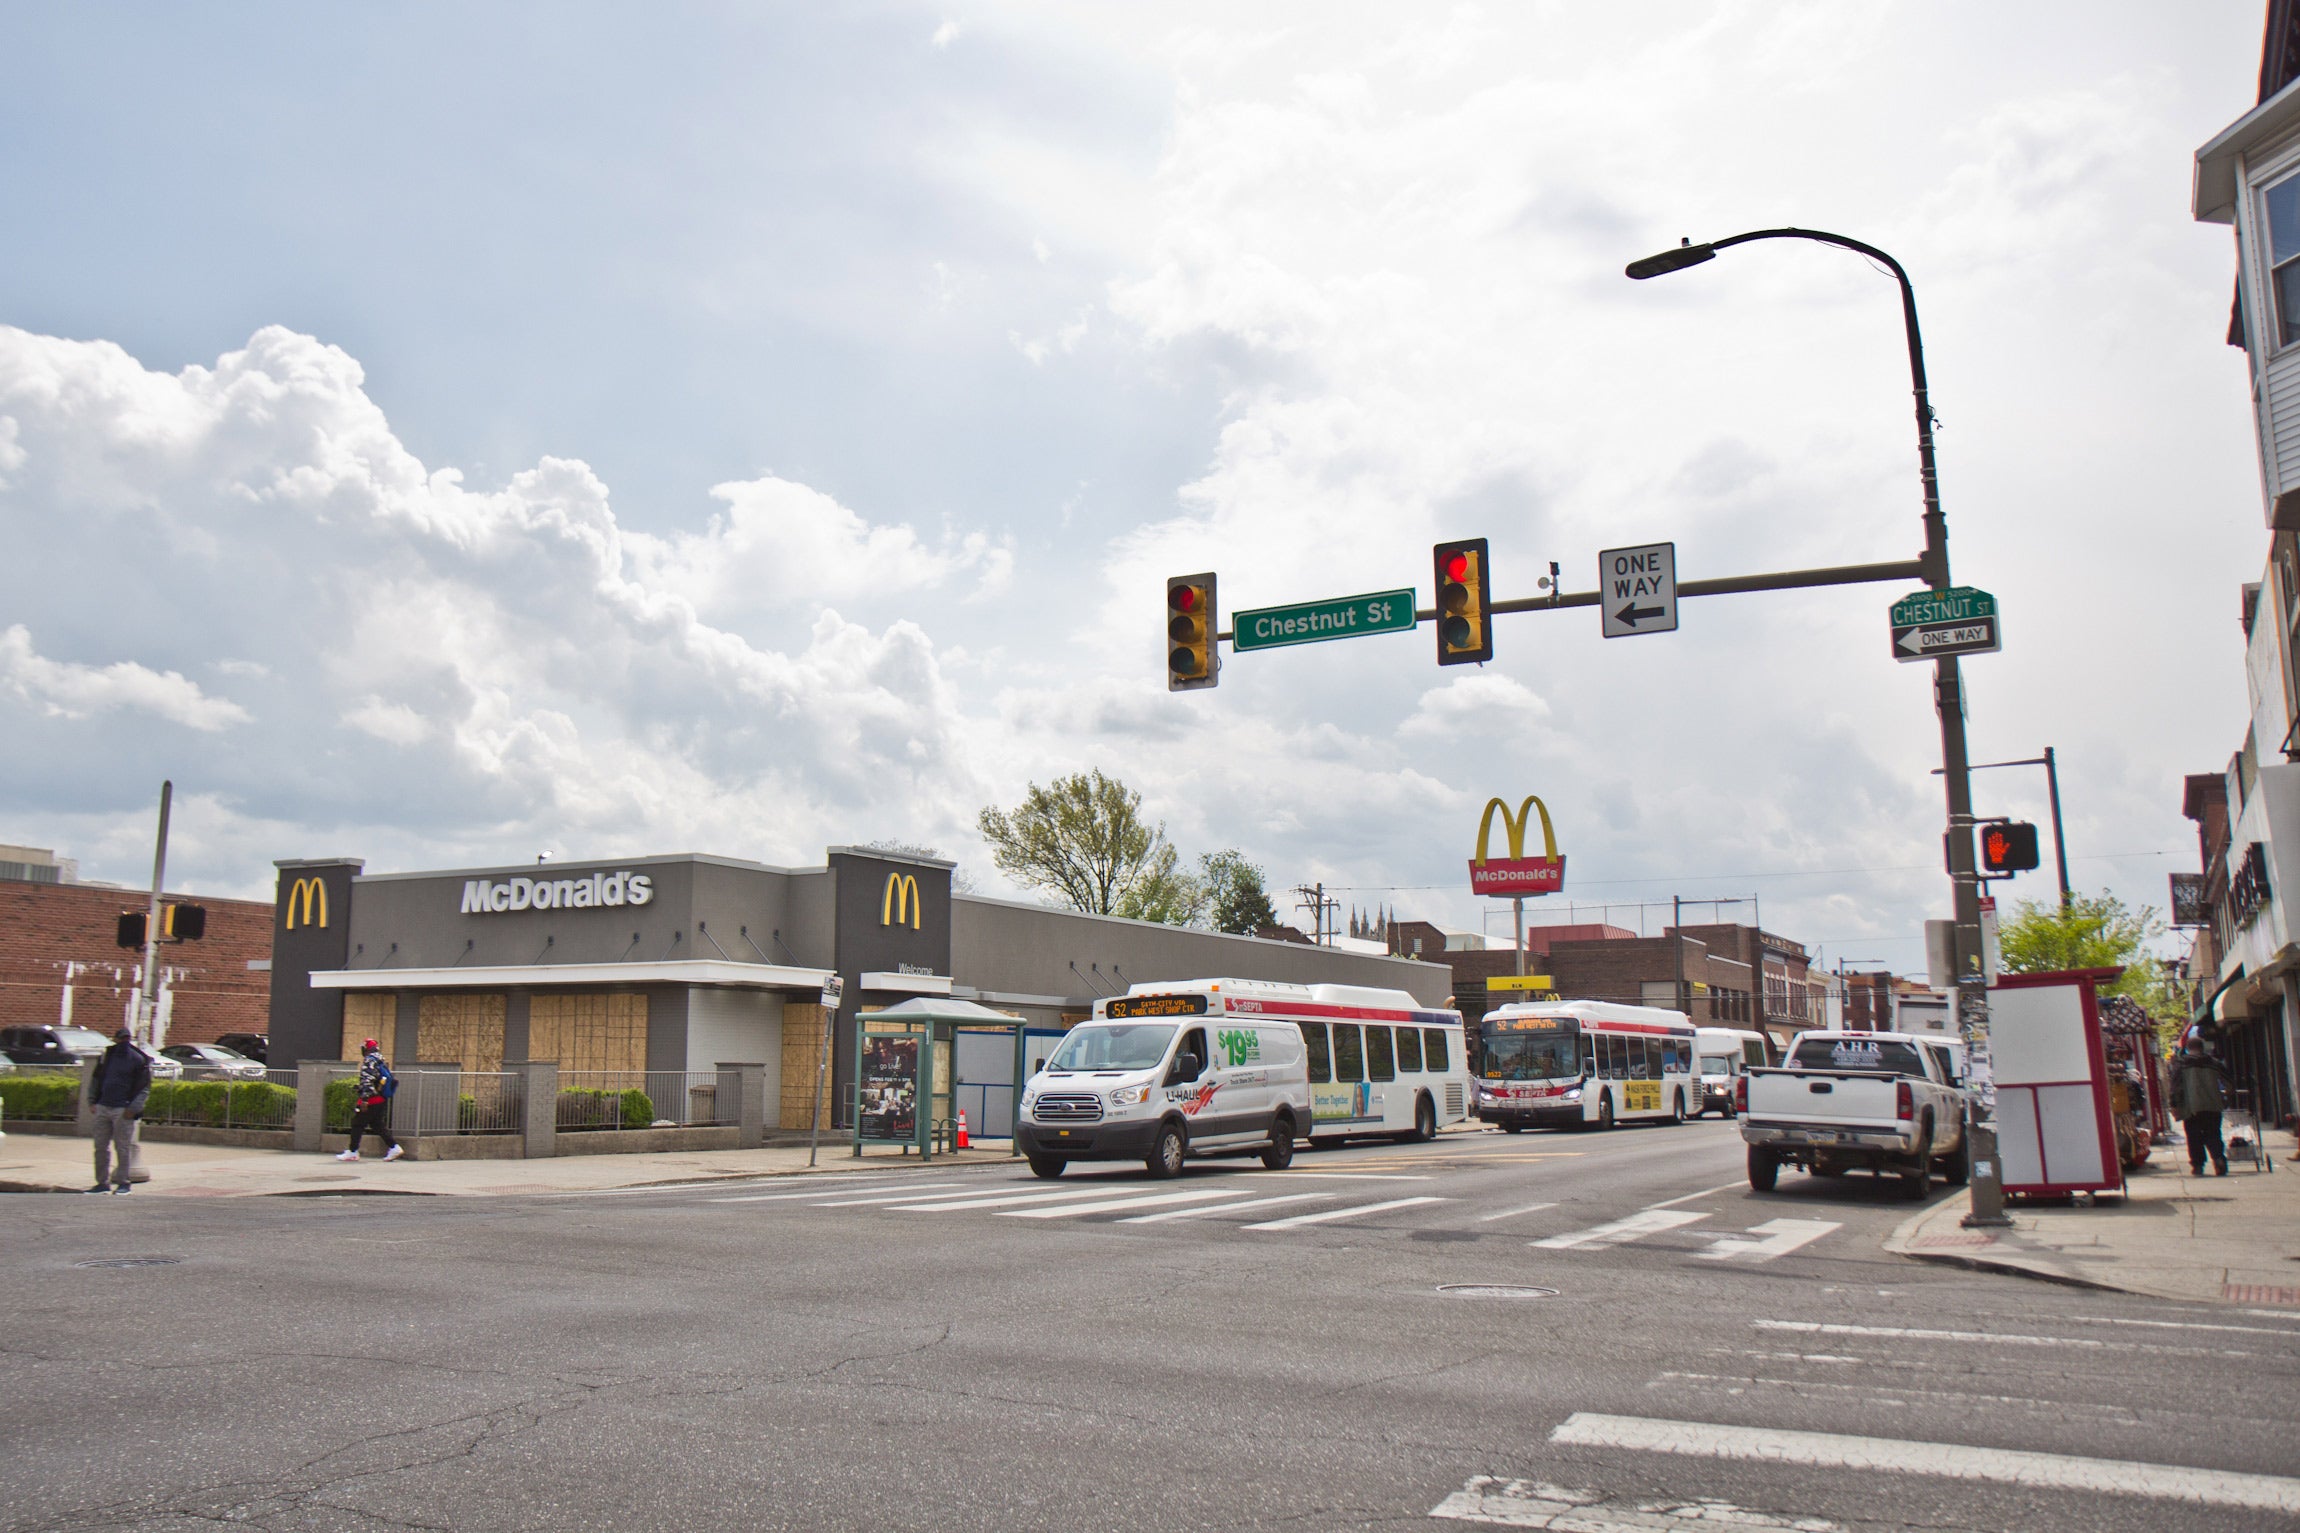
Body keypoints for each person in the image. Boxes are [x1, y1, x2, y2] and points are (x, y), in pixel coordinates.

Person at [84, 1026, 150, 1194]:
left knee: (122, 1147)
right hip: (104, 1105)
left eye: (125, 1039)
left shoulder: (138, 1059)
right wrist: (93, 1101)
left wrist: (133, 1108)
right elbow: (96, 1080)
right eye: (121, 1039)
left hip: (123, 1108)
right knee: (100, 1147)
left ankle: (123, 1182)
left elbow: (144, 1088)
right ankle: (102, 1183)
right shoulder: (107, 1057)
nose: (123, 1043)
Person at [2169, 1038, 2232, 1177]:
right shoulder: (2214, 1063)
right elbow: (2228, 1081)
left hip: (2191, 1107)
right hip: (2213, 1105)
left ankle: (2197, 1165)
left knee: (2194, 1136)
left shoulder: (2181, 1064)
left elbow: (2175, 1086)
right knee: (2214, 1134)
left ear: (2187, 1048)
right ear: (2202, 1047)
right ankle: (2218, 1158)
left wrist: (2174, 1104)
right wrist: (2226, 1098)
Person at [338, 1039, 404, 1162]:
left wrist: (364, 1099)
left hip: (372, 1099)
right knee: (377, 1124)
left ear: (366, 1049)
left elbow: (367, 1080)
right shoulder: (381, 1060)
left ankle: (352, 1151)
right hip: (381, 1098)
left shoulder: (369, 1060)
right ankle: (394, 1147)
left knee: (357, 1124)